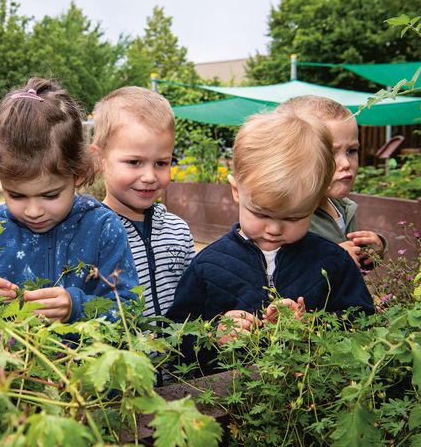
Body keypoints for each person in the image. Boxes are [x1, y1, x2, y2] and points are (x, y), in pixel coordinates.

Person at [167, 109, 375, 350]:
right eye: (261, 214)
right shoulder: (208, 265)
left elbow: (364, 324)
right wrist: (214, 335)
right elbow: (176, 338)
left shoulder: (334, 262)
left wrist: (311, 325)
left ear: (317, 200)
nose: (274, 229)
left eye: (294, 217)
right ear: (236, 190)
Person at [0, 78, 138, 324]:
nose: (33, 211)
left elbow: (130, 309)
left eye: (50, 195)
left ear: (79, 174)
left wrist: (77, 307)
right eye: (16, 195)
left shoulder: (103, 228)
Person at [91, 86, 194, 318]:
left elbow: (195, 298)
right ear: (100, 160)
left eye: (161, 163)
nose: (149, 176)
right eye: (135, 162)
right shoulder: (91, 234)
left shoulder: (179, 230)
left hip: (178, 354)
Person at [276, 95, 386, 268]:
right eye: (330, 153)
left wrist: (374, 249)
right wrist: (335, 258)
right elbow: (284, 276)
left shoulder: (341, 207)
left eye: (351, 150)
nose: (346, 164)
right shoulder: (287, 219)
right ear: (290, 157)